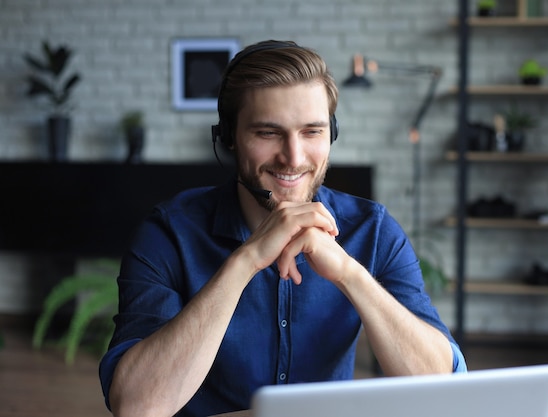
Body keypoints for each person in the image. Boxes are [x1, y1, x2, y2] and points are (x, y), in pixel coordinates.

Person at [99, 39, 466, 417]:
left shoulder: (372, 230)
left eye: (312, 132)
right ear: (229, 138)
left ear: (332, 133)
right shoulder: (169, 234)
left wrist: (348, 273)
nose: (293, 157)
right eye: (267, 133)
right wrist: (247, 260)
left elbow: (441, 386)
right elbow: (137, 405)